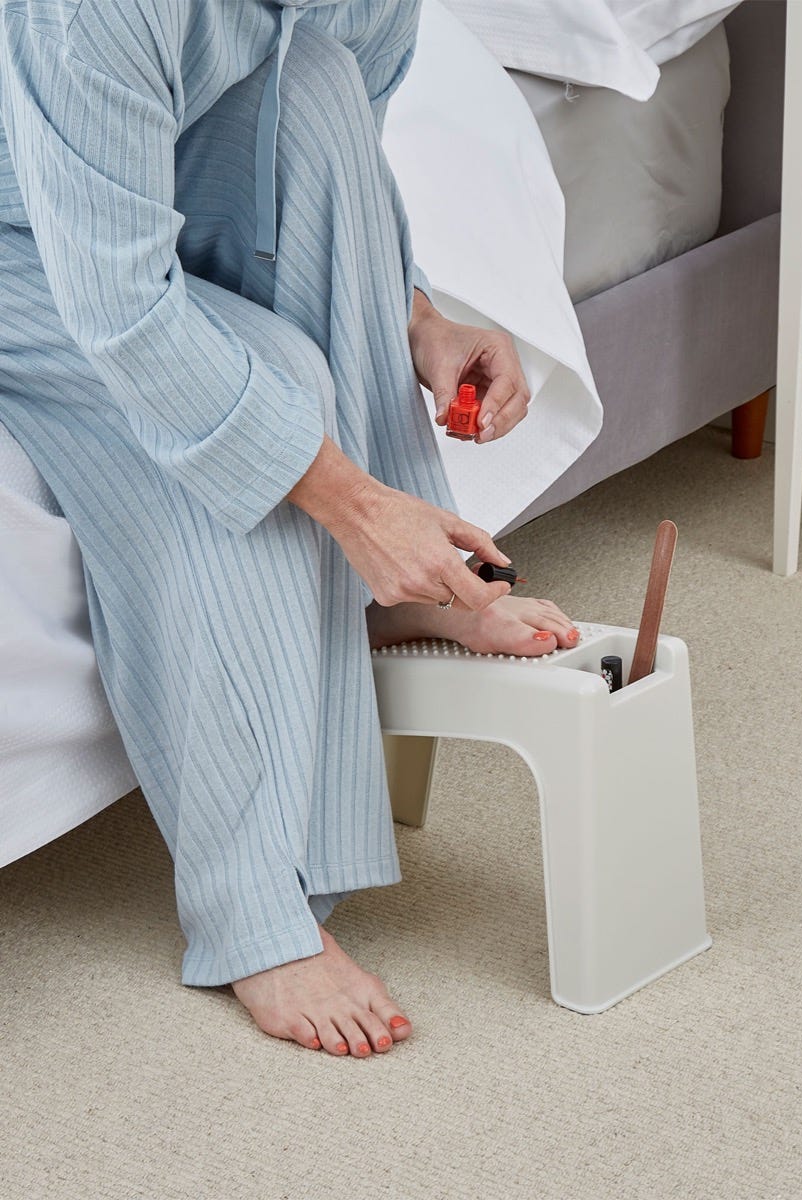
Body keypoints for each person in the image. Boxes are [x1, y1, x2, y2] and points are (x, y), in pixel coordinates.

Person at [0, 0, 580, 1057]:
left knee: (314, 88)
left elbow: (324, 181)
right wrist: (350, 504)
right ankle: (252, 912)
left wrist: (419, 320)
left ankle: (380, 596)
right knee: (272, 384)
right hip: (28, 247)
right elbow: (127, 314)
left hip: (135, 186)